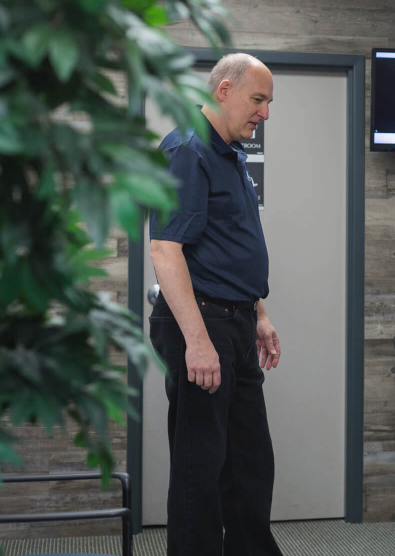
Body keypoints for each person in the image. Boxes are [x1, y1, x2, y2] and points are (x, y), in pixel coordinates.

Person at [148, 53, 283, 556]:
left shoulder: (232, 153)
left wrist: (260, 315)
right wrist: (198, 342)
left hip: (237, 321)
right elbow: (165, 249)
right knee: (199, 467)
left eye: (268, 102)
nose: (264, 113)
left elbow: (233, 245)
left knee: (250, 461)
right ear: (223, 91)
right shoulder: (187, 149)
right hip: (201, 323)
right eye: (258, 100)